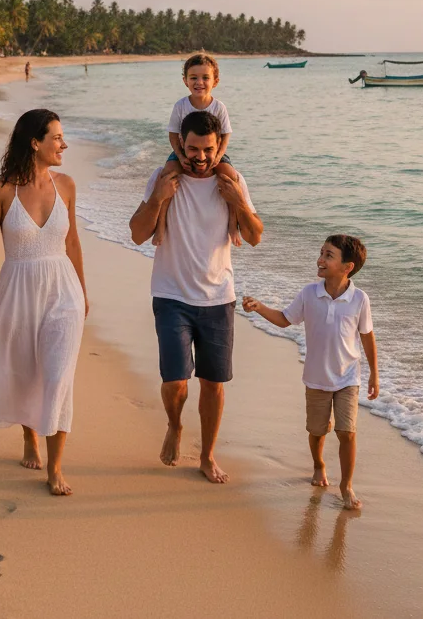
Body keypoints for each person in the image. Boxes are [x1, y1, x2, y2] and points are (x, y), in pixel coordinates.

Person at [0, 109, 89, 496]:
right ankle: (30, 436)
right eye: (57, 138)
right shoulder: (0, 189)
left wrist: (83, 292)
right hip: (17, 288)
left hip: (63, 290)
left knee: (58, 375)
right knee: (28, 371)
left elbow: (73, 243)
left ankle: (56, 468)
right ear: (35, 142)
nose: (64, 144)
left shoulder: (66, 185)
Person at [129, 110, 263, 483]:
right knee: (174, 382)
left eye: (207, 149)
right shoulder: (163, 177)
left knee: (213, 384)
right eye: (192, 149)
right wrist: (157, 198)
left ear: (220, 145)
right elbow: (138, 233)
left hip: (218, 298)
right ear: (180, 144)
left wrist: (237, 201)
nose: (200, 158)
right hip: (171, 293)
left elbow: (254, 236)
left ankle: (206, 456)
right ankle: (174, 425)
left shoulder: (232, 182)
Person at [242, 235, 379, 510]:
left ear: (347, 267)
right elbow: (284, 319)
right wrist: (260, 307)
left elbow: (367, 336)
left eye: (329, 255)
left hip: (348, 377)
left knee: (347, 431)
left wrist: (374, 374)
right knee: (317, 431)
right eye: (321, 253)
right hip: (316, 375)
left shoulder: (359, 299)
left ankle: (346, 485)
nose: (321, 259)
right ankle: (318, 464)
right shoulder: (309, 293)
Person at [152, 53, 241, 247]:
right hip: (183, 151)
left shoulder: (219, 107)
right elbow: (174, 135)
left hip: (213, 154)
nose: (199, 82)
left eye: (205, 78)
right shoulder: (181, 106)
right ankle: (160, 225)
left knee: (231, 178)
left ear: (215, 81)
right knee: (167, 176)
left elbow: (225, 135)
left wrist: (218, 156)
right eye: (193, 78)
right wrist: (181, 156)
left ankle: (233, 224)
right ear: (185, 81)